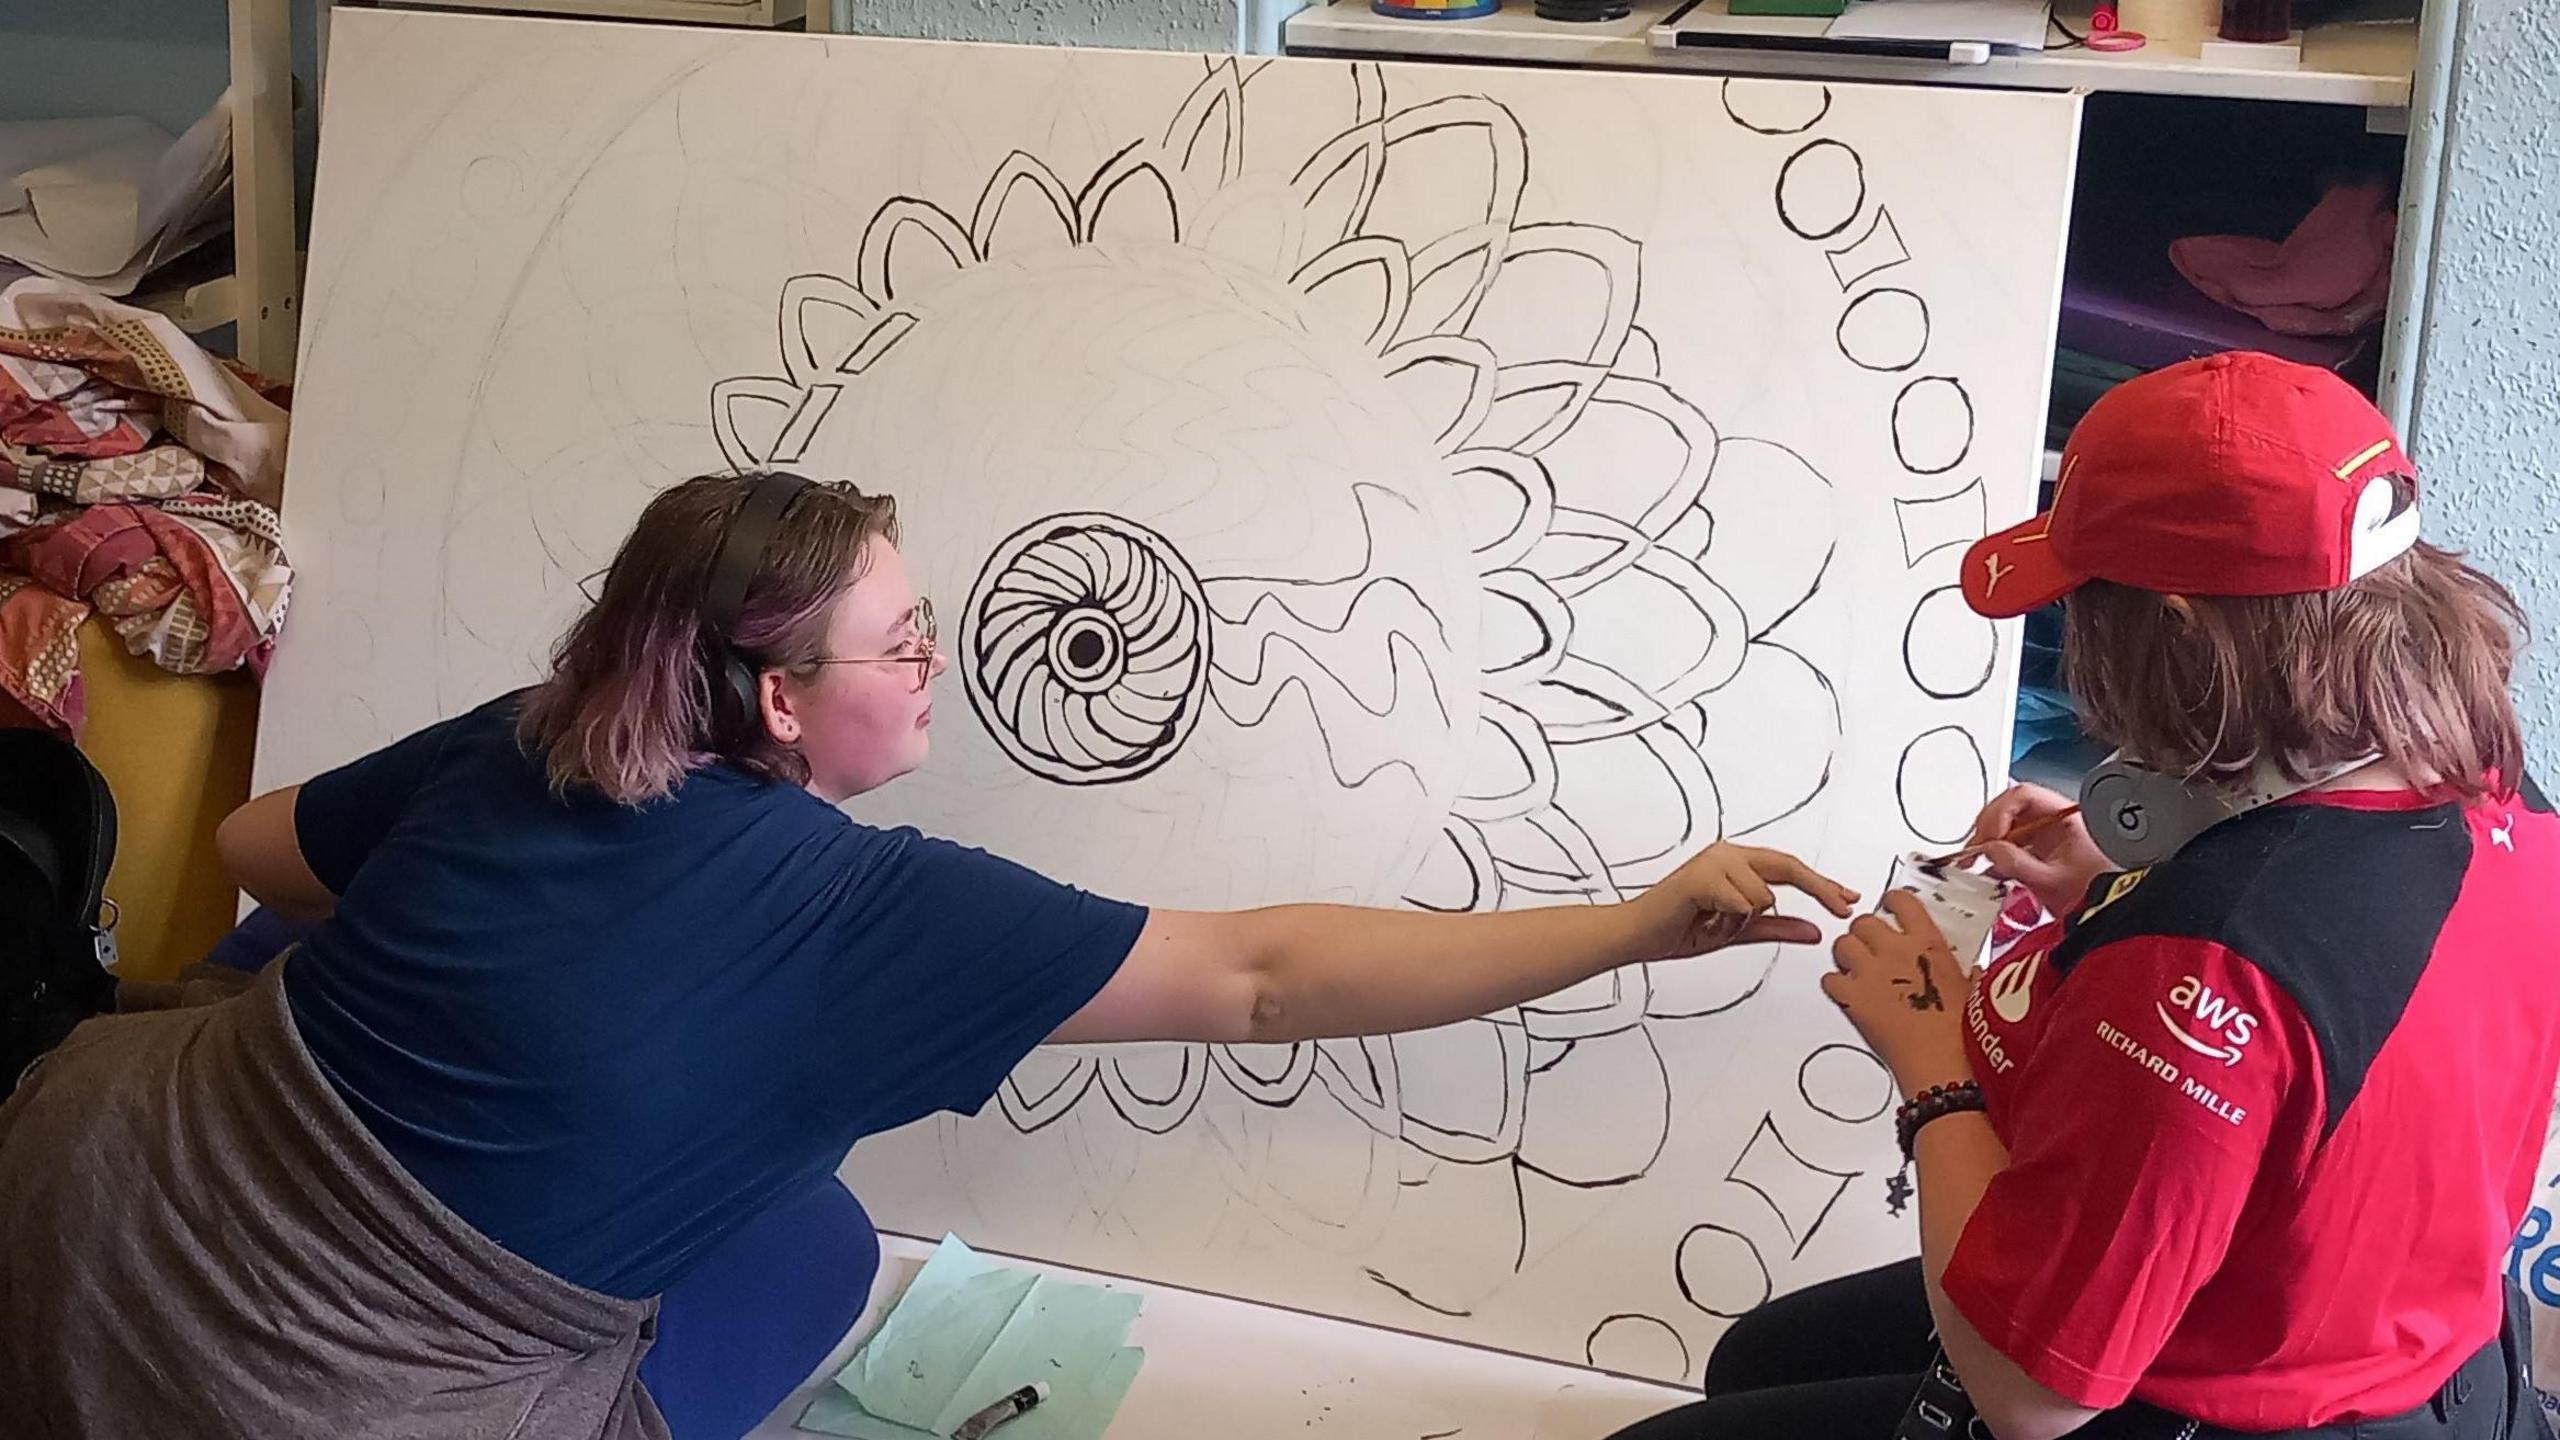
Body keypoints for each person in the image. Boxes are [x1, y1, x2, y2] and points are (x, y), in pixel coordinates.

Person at [0, 470, 1857, 1439]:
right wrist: (1632, 924)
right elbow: (1272, 977)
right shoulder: (876, 917)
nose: (944, 660)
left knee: (276, 944)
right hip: (313, 1405)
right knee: (807, 1239)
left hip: (65, 1207)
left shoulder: (545, 719)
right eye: (906, 639)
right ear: (786, 703)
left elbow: (256, 852)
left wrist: (496, 961)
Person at [1615, 350, 2560, 1440]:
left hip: (2224, 1402)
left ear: (2175, 633)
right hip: (2410, 1358)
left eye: (2082, 611)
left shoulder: (2205, 963)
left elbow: (2030, 1396)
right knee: (1759, 1359)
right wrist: (2124, 882)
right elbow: (2350, 976)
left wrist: (1925, 1058)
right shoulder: (2491, 778)